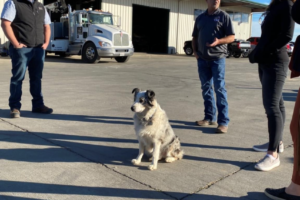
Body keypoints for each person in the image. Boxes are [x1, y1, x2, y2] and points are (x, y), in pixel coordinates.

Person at [248, 0, 295, 172]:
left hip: (276, 62)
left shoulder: (288, 6)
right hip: (265, 62)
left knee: (272, 107)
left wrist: (263, 51)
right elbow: (268, 35)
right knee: (278, 103)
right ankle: (278, 142)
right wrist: (257, 51)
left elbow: (286, 35)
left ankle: (273, 155)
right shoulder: (276, 5)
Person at [264, 0, 300, 199]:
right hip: (268, 59)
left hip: (275, 60)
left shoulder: (285, 5)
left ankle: (296, 189)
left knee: (297, 126)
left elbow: (297, 13)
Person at [1, 0, 53, 118]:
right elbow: (5, 23)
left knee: (36, 78)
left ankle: (38, 105)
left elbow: (47, 26)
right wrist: (16, 44)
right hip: (22, 49)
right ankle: (15, 107)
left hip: (38, 49)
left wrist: (46, 43)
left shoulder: (40, 7)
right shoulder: (13, 3)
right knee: (17, 78)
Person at [192, 0, 235, 133]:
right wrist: (195, 53)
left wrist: (219, 41)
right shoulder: (200, 18)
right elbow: (194, 36)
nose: (216, 0)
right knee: (206, 89)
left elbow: (232, 37)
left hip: (218, 59)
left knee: (219, 89)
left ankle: (223, 122)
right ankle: (209, 117)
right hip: (202, 60)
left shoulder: (224, 16)